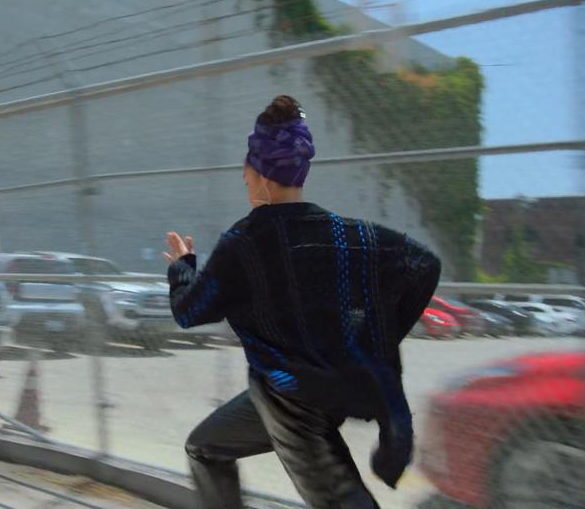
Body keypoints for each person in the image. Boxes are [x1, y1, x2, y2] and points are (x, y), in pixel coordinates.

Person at [163, 95, 441, 509]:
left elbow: (189, 312)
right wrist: (368, 340)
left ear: (255, 173)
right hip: (307, 390)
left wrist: (183, 267)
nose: (244, 183)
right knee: (204, 447)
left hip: (290, 403)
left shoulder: (244, 243)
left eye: (245, 175)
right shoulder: (345, 235)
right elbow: (425, 265)